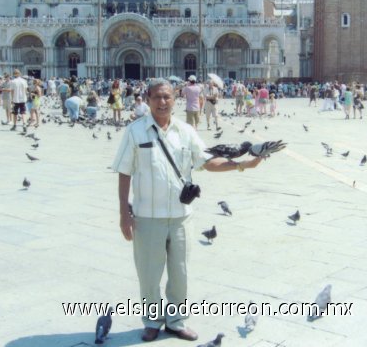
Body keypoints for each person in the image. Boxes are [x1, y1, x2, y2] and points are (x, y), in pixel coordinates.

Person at [112, 78, 263, 343]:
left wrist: (241, 166)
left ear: (175, 99)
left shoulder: (185, 131)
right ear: (147, 99)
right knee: (149, 274)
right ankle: (151, 321)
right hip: (147, 217)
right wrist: (125, 213)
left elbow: (208, 161)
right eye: (157, 97)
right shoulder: (135, 131)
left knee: (180, 273)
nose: (162, 102)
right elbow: (124, 173)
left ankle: (176, 321)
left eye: (167, 97)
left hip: (181, 216)